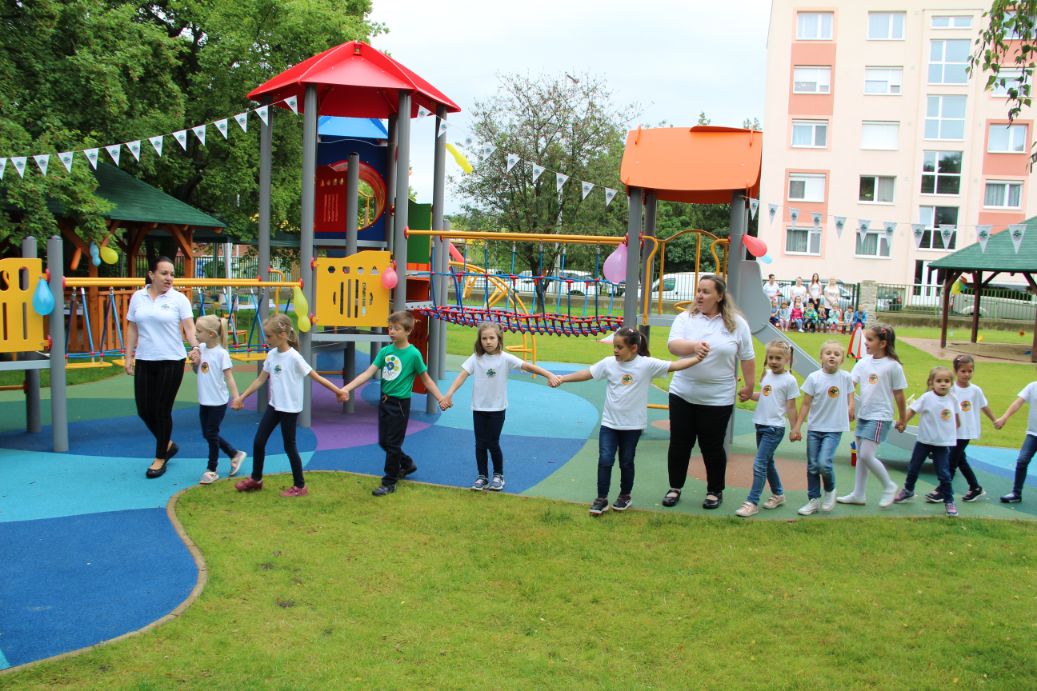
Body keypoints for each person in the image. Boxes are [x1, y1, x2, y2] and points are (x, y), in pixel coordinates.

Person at [553, 328, 703, 516]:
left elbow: (674, 365)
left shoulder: (646, 365)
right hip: (609, 424)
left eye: (619, 347)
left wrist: (697, 358)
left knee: (626, 461)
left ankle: (625, 496)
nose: (615, 350)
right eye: (614, 346)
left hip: (632, 426)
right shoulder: (609, 363)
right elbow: (587, 373)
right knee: (605, 460)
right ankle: (601, 499)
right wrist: (563, 378)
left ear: (633, 348)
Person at [663, 275, 755, 510]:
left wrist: (749, 385)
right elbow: (673, 345)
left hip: (718, 397)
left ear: (720, 296)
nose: (700, 296)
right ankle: (675, 487)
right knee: (680, 443)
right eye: (698, 291)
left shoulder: (737, 324)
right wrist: (693, 346)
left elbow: (747, 357)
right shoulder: (685, 318)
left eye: (706, 292)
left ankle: (715, 490)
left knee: (712, 446)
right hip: (683, 392)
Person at [440, 322, 561, 491]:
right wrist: (449, 394)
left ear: (499, 339)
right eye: (484, 338)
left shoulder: (505, 358)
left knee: (492, 443)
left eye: (492, 338)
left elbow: (527, 366)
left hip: (497, 409)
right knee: (480, 444)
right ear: (480, 340)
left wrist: (549, 374)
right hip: (479, 408)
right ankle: (482, 476)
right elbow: (462, 376)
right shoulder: (476, 358)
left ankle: (498, 475)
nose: (488, 341)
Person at [231, 314, 343, 497]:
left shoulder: (294, 358)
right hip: (274, 406)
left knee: (289, 446)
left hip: (289, 409)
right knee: (259, 442)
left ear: (282, 335)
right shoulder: (271, 355)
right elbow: (260, 380)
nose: (266, 340)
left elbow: (316, 377)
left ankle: (300, 486)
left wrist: (338, 391)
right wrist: (241, 397)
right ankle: (256, 479)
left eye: (269, 336)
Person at [340, 310, 447, 497]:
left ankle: (389, 481)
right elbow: (368, 373)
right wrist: (347, 388)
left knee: (392, 443)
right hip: (384, 401)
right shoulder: (385, 351)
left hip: (399, 405)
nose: (392, 331)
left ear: (408, 331)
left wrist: (441, 398)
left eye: (397, 328)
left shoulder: (413, 354)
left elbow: (427, 380)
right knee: (384, 442)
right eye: (390, 328)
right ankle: (407, 463)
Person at [124, 255, 200, 479]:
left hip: (171, 360)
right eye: (164, 273)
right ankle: (167, 444)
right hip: (145, 359)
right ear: (152, 275)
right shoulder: (138, 297)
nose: (169, 278)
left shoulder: (179, 299)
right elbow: (132, 328)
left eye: (172, 274)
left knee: (161, 410)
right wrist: (128, 356)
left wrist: (195, 347)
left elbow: (189, 328)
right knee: (144, 410)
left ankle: (160, 457)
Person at [838, 324, 907, 508]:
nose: (865, 343)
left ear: (882, 343)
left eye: (870, 340)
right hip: (865, 415)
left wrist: (903, 418)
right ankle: (858, 494)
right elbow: (850, 385)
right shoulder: (863, 363)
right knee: (861, 457)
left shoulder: (893, 366)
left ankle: (889, 486)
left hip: (880, 416)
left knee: (866, 455)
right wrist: (850, 404)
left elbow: (899, 395)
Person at [790, 341, 854, 515]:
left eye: (837, 354)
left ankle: (830, 490)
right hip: (815, 428)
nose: (832, 356)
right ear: (821, 357)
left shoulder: (845, 377)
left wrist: (851, 406)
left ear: (841, 360)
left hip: (834, 428)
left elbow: (851, 395)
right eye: (828, 353)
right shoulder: (814, 378)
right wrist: (797, 426)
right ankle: (813, 500)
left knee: (824, 463)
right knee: (812, 465)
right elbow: (805, 404)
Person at [735, 341, 798, 517]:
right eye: (771, 357)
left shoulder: (790, 380)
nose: (774, 361)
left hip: (774, 428)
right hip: (760, 424)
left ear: (787, 359)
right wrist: (749, 395)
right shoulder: (767, 375)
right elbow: (764, 396)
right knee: (767, 462)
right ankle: (778, 494)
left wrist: (795, 428)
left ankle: (752, 502)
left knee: (759, 464)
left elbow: (791, 406)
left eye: (778, 358)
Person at [925, 354, 995, 504]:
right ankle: (975, 487)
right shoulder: (951, 389)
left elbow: (984, 406)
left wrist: (995, 420)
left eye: (970, 371)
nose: (967, 374)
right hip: (952, 431)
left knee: (951, 462)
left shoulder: (975, 390)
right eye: (963, 371)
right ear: (956, 371)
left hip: (966, 432)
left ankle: (942, 490)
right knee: (960, 460)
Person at [893, 366, 961, 517]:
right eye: (939, 381)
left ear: (951, 383)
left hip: (942, 444)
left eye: (947, 381)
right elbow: (912, 411)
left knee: (944, 473)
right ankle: (908, 490)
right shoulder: (926, 398)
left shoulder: (953, 399)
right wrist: (903, 422)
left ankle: (949, 501)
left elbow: (957, 420)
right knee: (914, 467)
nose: (943, 384)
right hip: (924, 441)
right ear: (931, 382)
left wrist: (952, 435)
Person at [193, 315, 246, 485]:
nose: (195, 334)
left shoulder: (221, 354)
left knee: (211, 434)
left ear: (211, 334)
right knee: (208, 434)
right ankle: (234, 454)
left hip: (217, 402)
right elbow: (198, 371)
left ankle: (212, 469)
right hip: (204, 400)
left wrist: (236, 397)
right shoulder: (201, 348)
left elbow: (229, 377)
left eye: (199, 331)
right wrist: (195, 362)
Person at [993, 372, 1037, 503]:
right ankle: (1016, 493)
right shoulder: (1032, 386)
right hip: (1033, 434)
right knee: (1022, 461)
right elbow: (1018, 403)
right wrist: (1004, 417)